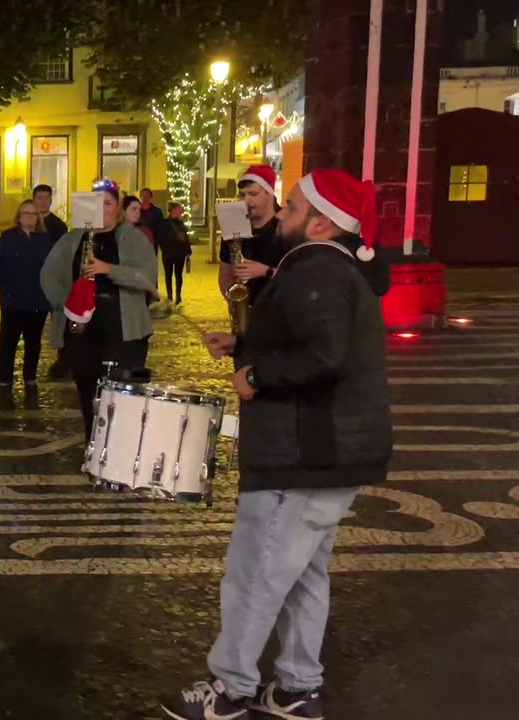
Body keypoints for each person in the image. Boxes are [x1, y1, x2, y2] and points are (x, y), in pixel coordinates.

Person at [163, 169, 392, 720]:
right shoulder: (325, 268)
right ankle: (297, 686)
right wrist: (241, 340)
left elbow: (324, 353)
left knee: (256, 572)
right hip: (323, 453)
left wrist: (257, 375)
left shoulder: (318, 268)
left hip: (303, 452)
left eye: (290, 207)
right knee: (302, 575)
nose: (282, 213)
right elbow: (309, 336)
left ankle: (230, 688)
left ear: (321, 221)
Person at [40, 179, 157, 443]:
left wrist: (110, 270)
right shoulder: (72, 239)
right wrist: (66, 304)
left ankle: (120, 451)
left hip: (122, 326)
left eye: (108, 203)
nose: (102, 209)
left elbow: (148, 279)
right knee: (88, 391)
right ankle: (93, 446)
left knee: (121, 395)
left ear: (118, 209)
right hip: (84, 328)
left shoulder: (133, 237)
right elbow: (48, 276)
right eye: (96, 203)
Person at [0, 199, 54, 389]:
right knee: (8, 341)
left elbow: (51, 269)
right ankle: (5, 377)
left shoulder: (45, 240)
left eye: (33, 214)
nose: (29, 217)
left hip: (38, 301)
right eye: (25, 213)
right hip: (13, 301)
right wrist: (7, 289)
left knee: (33, 342)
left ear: (37, 218)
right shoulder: (7, 238)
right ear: (19, 216)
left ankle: (30, 376)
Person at [219, 165, 283, 327]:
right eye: (242, 195)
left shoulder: (286, 227)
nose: (246, 201)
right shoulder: (233, 226)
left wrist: (265, 271)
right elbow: (225, 274)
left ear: (269, 193)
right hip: (245, 320)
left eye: (253, 194)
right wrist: (234, 301)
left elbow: (303, 280)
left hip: (280, 320)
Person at [158, 202, 193, 304]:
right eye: (179, 209)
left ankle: (178, 295)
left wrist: (188, 250)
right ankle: (170, 295)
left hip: (179, 253)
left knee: (178, 275)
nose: (181, 211)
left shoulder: (180, 223)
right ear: (172, 210)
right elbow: (160, 238)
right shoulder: (163, 224)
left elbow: (185, 239)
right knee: (168, 275)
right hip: (169, 253)